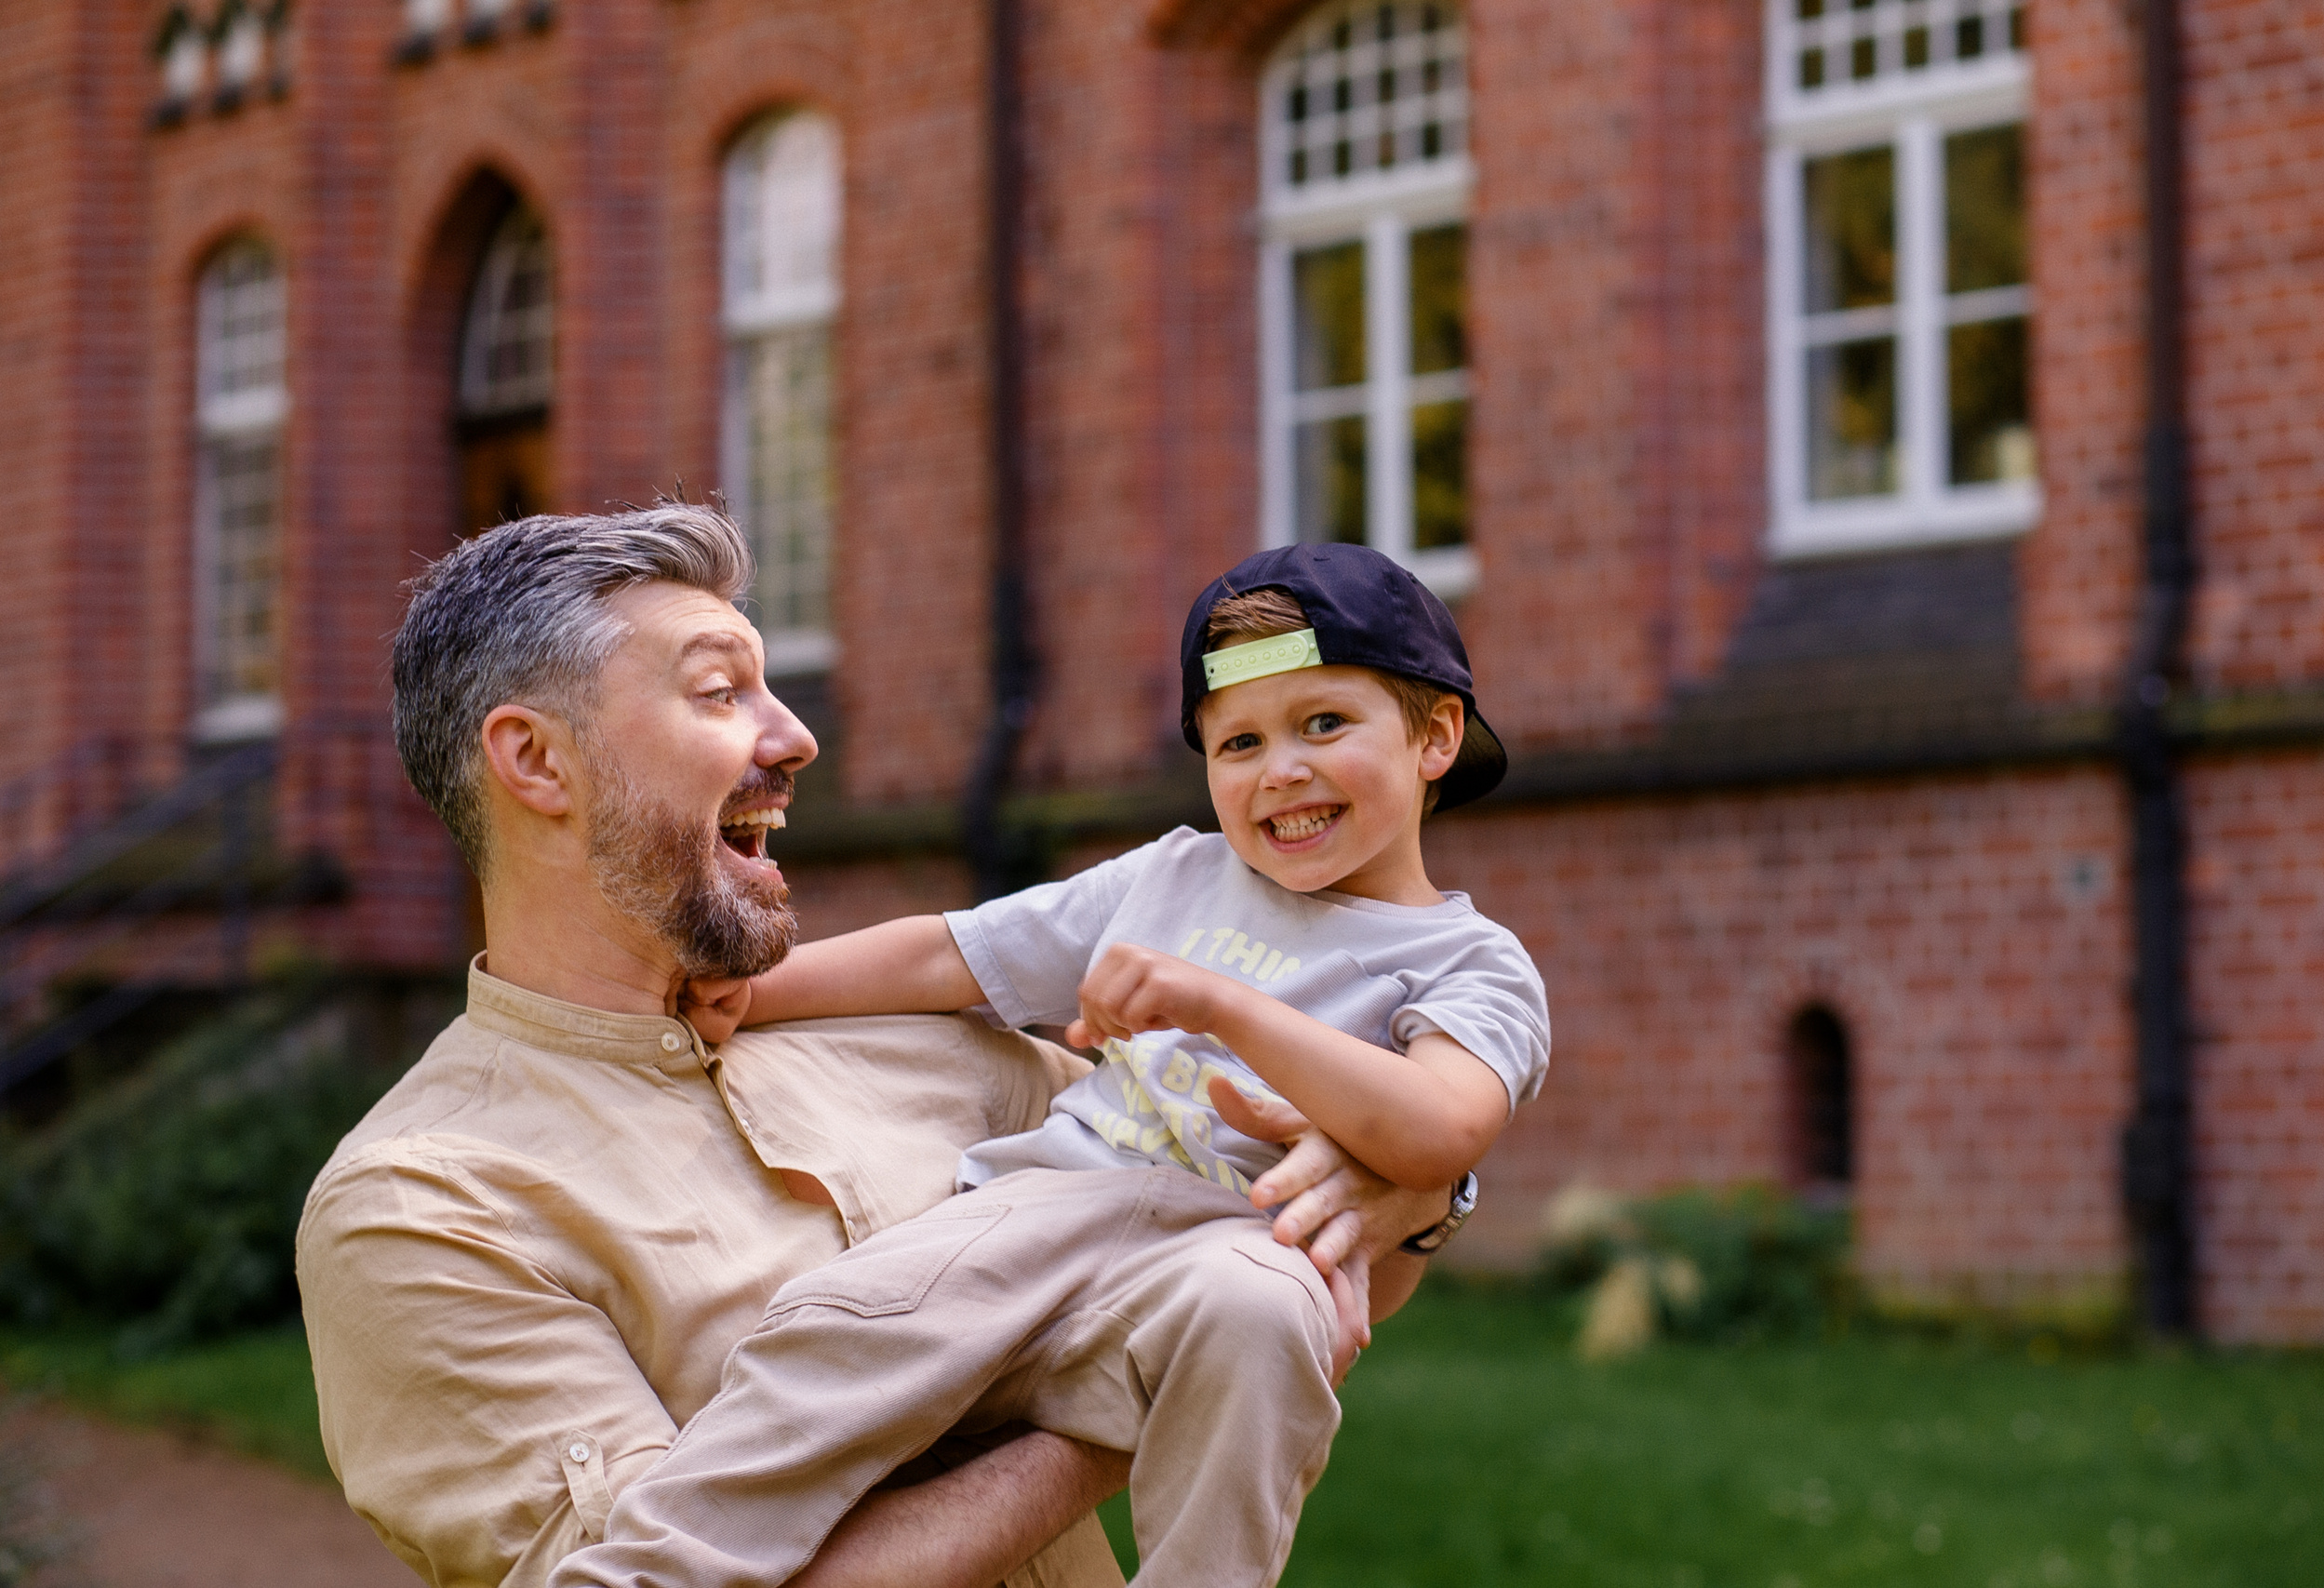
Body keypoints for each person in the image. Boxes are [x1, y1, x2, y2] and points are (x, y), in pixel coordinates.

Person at [297, 507, 1451, 1588]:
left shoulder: (934, 1048)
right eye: (718, 695)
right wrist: (1129, 1399)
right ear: (536, 763)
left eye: (772, 690)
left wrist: (1400, 1188)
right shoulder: (422, 1209)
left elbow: (1250, 1223)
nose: (794, 737)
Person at [556, 543, 1550, 1588]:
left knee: (1266, 1317)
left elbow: (1443, 1129)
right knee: (834, 1337)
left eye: (1324, 725)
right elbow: (953, 953)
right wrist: (758, 989)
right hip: (1048, 1214)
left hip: (1226, 1256)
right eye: (1239, 742)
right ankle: (649, 1575)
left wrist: (1220, 1004)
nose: (1280, 771)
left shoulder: (1468, 964)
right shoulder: (1179, 874)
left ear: (1435, 734)